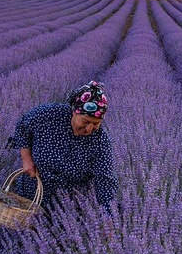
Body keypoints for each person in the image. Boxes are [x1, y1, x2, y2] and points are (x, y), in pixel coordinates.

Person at [8, 80, 118, 213]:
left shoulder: (100, 140)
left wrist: (109, 218)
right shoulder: (48, 116)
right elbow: (23, 127)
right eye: (85, 121)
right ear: (74, 111)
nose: (89, 128)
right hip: (33, 193)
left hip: (69, 206)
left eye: (96, 124)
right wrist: (27, 160)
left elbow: (105, 179)